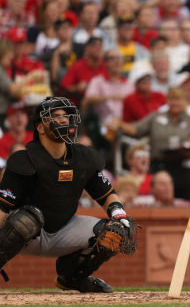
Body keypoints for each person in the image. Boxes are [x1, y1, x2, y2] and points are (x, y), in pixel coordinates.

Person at [0, 96, 137, 292]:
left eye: (66, 116)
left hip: (63, 231)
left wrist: (119, 214)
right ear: (40, 128)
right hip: (24, 233)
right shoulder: (25, 159)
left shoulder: (84, 157)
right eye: (55, 116)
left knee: (115, 231)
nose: (64, 120)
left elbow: (107, 195)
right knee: (28, 219)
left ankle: (73, 278)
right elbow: (2, 208)